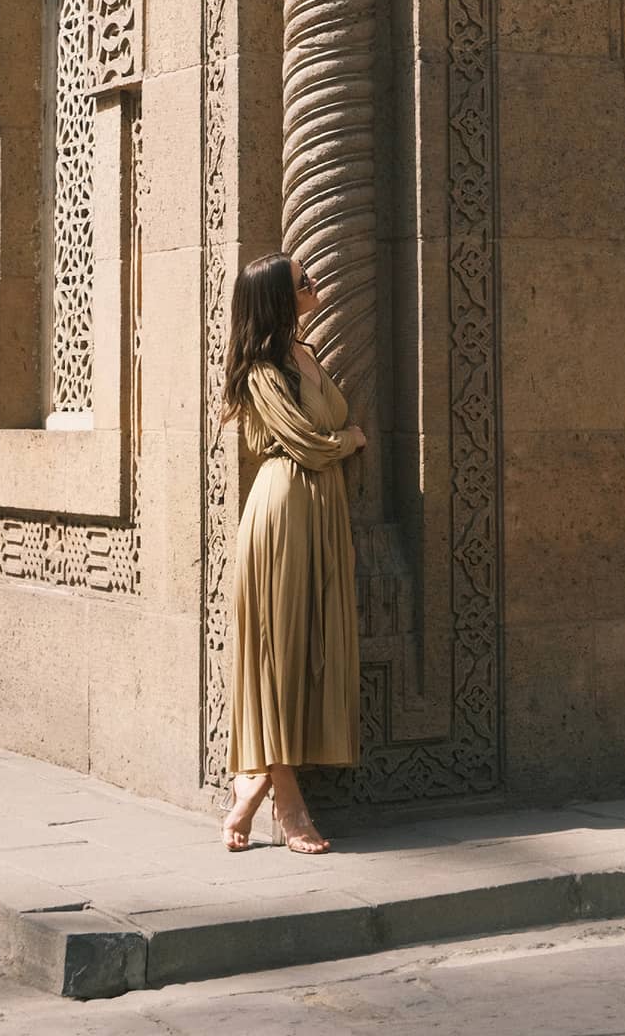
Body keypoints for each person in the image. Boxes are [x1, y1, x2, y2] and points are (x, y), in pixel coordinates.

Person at [220, 251, 367, 855]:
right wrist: (350, 438)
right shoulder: (260, 369)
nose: (313, 283)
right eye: (302, 280)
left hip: (321, 512)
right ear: (279, 297)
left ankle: (252, 788)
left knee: (311, 648)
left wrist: (338, 440)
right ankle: (288, 803)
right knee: (281, 655)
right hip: (283, 513)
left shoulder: (303, 354)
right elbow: (307, 442)